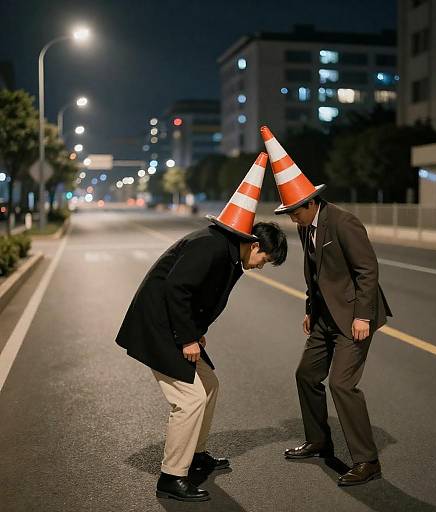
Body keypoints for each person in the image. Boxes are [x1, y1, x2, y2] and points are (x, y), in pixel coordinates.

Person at [116, 153, 288, 502]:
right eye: (264, 260)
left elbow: (202, 296)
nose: (260, 266)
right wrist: (188, 337)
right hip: (159, 325)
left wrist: (196, 329)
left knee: (209, 385)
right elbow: (177, 289)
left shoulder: (230, 254)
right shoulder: (211, 246)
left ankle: (194, 457)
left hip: (175, 325)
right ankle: (171, 477)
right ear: (254, 245)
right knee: (190, 399)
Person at [260, 126, 392, 487]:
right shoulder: (306, 227)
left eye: (293, 211)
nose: (291, 218)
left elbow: (367, 270)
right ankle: (319, 440)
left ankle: (367, 461)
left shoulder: (344, 222)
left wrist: (363, 316)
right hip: (324, 317)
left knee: (342, 385)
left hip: (353, 318)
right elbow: (315, 273)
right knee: (305, 374)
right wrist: (309, 309)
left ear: (310, 203)